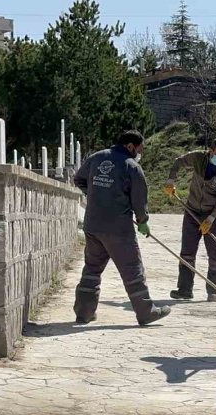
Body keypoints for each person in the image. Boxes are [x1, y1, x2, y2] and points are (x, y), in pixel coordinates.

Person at [73, 130, 171, 326]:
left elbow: (78, 179)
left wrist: (95, 194)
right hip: (118, 229)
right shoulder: (131, 167)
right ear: (130, 146)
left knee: (92, 269)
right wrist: (142, 221)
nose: (140, 153)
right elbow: (139, 200)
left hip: (93, 225)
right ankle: (146, 312)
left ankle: (84, 312)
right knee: (132, 270)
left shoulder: (96, 158)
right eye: (140, 148)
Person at [165, 138, 216, 302]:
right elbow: (178, 162)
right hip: (192, 211)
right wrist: (170, 180)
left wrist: (211, 218)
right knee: (187, 252)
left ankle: (214, 291)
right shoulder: (198, 158)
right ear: (211, 151)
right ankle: (184, 289)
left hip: (213, 215)